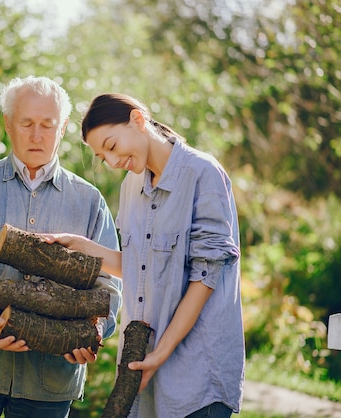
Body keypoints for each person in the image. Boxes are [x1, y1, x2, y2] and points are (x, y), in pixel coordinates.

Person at [0, 77, 122, 418]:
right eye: (27, 123)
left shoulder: (89, 202)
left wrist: (92, 331)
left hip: (49, 381)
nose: (37, 135)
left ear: (62, 128)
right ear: (7, 124)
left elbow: (109, 283)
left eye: (48, 125)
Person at [44, 93, 245, 418]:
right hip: (142, 364)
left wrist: (161, 352)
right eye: (101, 155)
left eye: (110, 146)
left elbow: (205, 278)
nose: (110, 161)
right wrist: (81, 246)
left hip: (196, 374)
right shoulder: (130, 187)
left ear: (138, 120)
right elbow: (142, 268)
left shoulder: (202, 173)